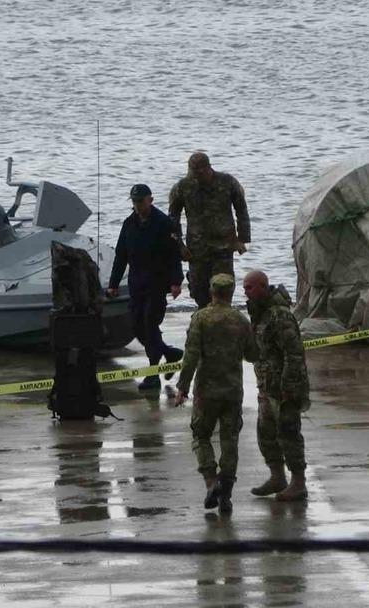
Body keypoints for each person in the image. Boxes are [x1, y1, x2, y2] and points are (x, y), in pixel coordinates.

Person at [174, 274, 258, 514]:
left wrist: (182, 387)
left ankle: (211, 482)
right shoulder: (241, 320)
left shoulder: (201, 318)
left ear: (211, 291)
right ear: (231, 293)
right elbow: (253, 354)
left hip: (206, 390)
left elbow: (190, 356)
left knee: (201, 436)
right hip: (233, 390)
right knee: (230, 440)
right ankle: (226, 495)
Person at [106, 183, 185, 391]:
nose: (137, 205)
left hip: (157, 283)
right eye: (134, 202)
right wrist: (113, 284)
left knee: (150, 325)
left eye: (140, 201)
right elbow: (120, 256)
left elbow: (174, 255)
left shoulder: (163, 223)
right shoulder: (128, 224)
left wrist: (176, 282)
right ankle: (170, 354)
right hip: (136, 283)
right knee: (136, 326)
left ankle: (153, 375)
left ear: (150, 199)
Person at [242, 270, 311, 502]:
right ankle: (277, 477)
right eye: (244, 288)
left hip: (284, 387)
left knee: (289, 433)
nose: (246, 292)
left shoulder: (279, 316)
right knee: (266, 433)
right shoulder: (259, 314)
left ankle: (298, 483)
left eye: (250, 287)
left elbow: (294, 354)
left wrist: (288, 387)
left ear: (263, 286)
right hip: (266, 385)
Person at [168, 152, 251, 308]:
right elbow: (172, 221)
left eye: (199, 174)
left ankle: (223, 321)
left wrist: (242, 238)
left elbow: (241, 209)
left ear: (208, 169)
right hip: (196, 250)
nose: (196, 178)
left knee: (223, 289)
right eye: (193, 174)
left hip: (224, 247)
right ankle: (204, 320)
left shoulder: (228, 182)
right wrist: (179, 246)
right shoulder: (182, 187)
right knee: (199, 292)